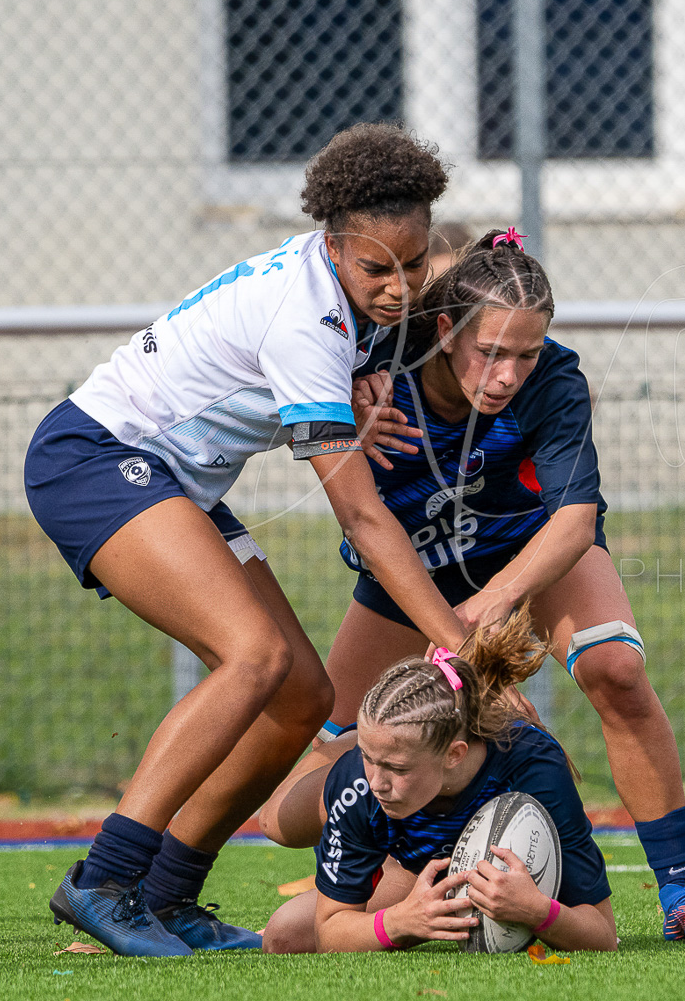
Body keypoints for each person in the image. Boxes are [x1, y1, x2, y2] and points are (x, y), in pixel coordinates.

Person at [24, 123, 474, 956]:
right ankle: (103, 880)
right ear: (332, 247)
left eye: (414, 265)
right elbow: (361, 516)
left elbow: (394, 343)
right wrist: (459, 645)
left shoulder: (356, 300)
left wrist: (370, 380)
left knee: (301, 695)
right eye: (376, 269)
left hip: (173, 480)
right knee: (254, 656)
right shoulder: (305, 321)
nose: (399, 287)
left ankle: (168, 895)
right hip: (94, 459)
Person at [259, 229, 685, 943]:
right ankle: (403, 855)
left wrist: (495, 601)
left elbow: (575, 522)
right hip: (411, 573)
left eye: (527, 353)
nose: (509, 373)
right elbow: (294, 407)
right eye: (491, 352)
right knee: (285, 815)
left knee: (616, 670)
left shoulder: (555, 382)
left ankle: (681, 892)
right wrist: (349, 404)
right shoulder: (372, 364)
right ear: (444, 331)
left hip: (527, 552)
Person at [260, 609, 617, 953]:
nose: (377, 783)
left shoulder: (534, 770)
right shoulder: (359, 782)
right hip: (391, 829)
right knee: (275, 832)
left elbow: (601, 933)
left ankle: (385, 755)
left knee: (288, 935)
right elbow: (330, 932)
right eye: (370, 758)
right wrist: (400, 922)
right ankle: (361, 744)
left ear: (454, 754)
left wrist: (538, 911)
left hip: (421, 851)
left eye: (397, 768)